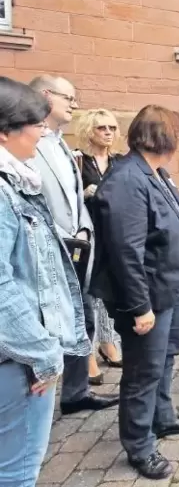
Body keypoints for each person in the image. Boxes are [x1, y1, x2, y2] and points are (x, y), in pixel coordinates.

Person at [90, 105, 179, 479]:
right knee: (141, 373)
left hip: (170, 286)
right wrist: (140, 307)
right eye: (178, 134)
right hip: (147, 296)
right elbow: (126, 252)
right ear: (164, 137)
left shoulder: (154, 171)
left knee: (166, 357)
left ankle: (163, 417)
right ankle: (139, 445)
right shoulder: (126, 180)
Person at [0, 77, 90, 487]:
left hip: (19, 351)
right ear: (5, 131)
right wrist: (44, 353)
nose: (42, 131)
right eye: (33, 124)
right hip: (17, 358)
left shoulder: (16, 179)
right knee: (17, 471)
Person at [27, 75, 118, 415]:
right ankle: (34, 405)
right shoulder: (28, 140)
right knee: (49, 325)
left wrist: (83, 228)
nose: (74, 104)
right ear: (46, 95)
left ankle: (76, 393)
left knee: (82, 317)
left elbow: (70, 195)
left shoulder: (59, 143)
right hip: (48, 251)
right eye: (69, 97)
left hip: (79, 247)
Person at [74, 108, 123, 383]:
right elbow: (68, 200)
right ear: (89, 131)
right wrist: (85, 193)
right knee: (87, 293)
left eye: (112, 128)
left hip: (114, 235)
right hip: (89, 236)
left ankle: (108, 342)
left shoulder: (119, 162)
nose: (108, 132)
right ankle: (88, 353)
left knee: (109, 290)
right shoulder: (79, 161)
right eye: (101, 127)